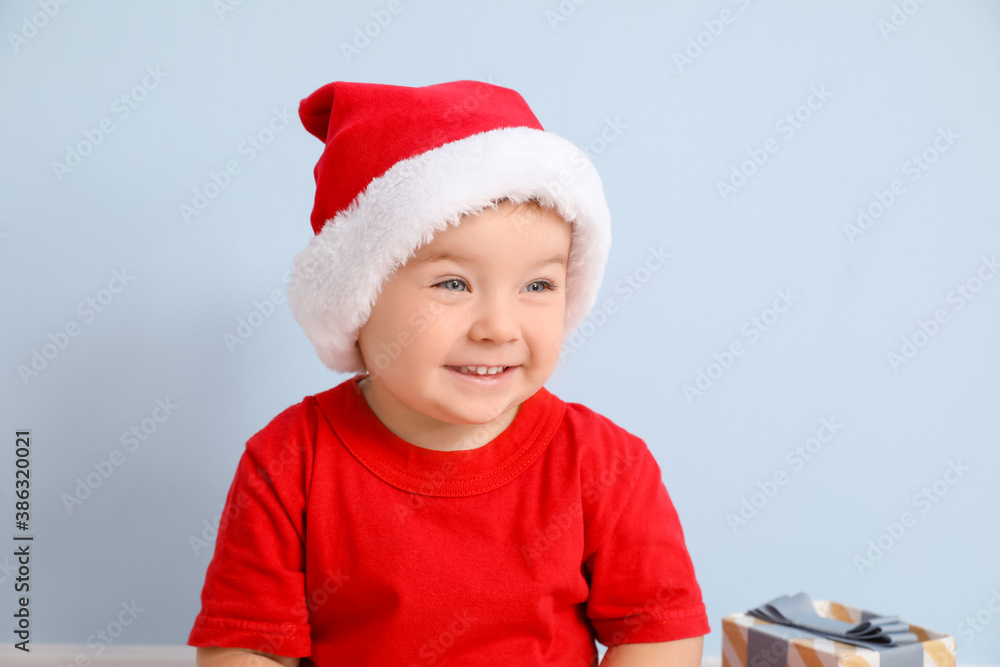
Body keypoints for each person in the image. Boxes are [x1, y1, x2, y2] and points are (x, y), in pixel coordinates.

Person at [188, 79, 709, 666]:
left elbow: (656, 633)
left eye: (537, 285)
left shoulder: (605, 463)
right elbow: (246, 649)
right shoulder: (289, 459)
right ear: (357, 301)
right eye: (453, 284)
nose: (499, 327)